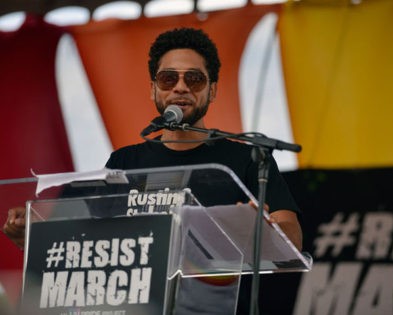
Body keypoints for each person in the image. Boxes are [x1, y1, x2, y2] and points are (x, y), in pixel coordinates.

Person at [3, 27, 302, 314]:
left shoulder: (247, 158)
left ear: (212, 91)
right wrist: (29, 237)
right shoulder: (124, 162)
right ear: (153, 90)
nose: (180, 87)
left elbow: (292, 239)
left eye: (194, 79)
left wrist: (259, 229)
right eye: (168, 78)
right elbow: (87, 246)